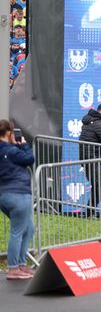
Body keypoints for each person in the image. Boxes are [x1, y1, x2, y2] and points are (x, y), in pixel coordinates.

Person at [0, 120, 36, 280]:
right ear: (9, 132)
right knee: (18, 231)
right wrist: (23, 144)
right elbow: (29, 158)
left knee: (28, 228)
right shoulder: (12, 150)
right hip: (19, 194)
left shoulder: (7, 150)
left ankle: (21, 264)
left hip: (5, 196)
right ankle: (13, 268)